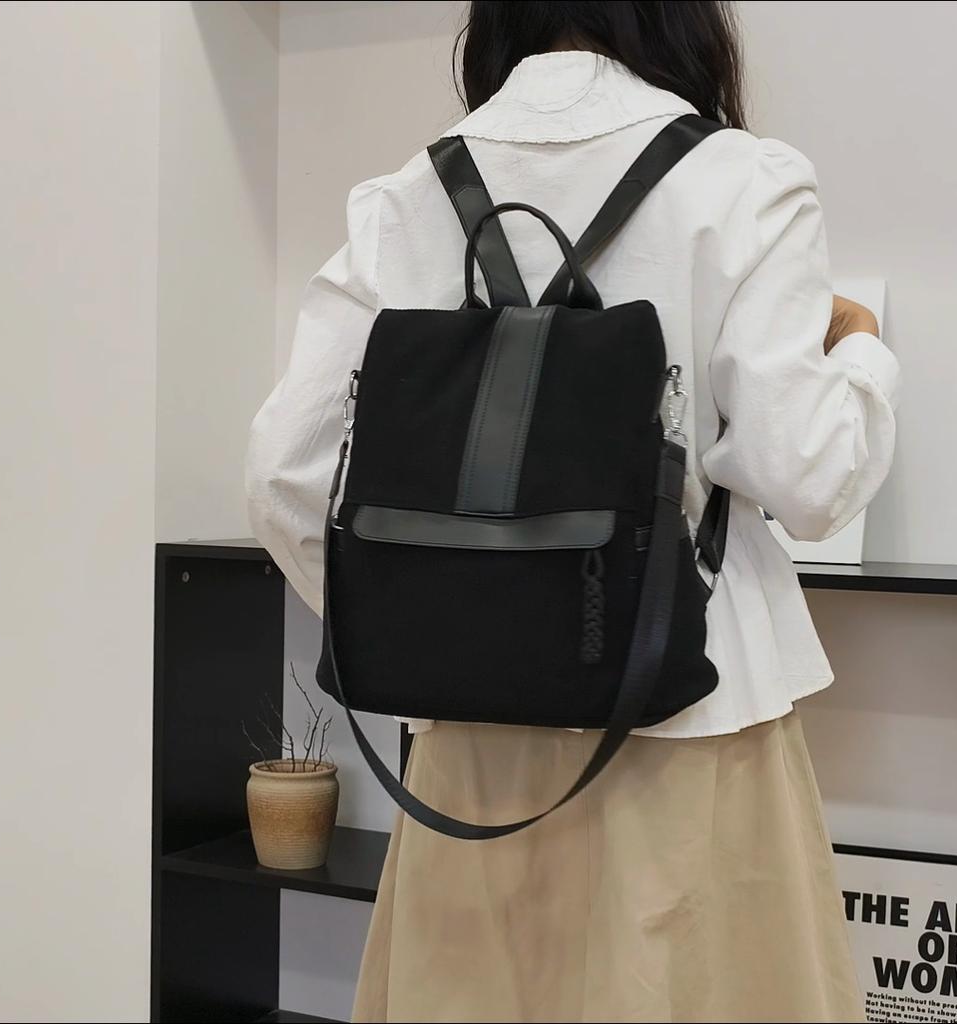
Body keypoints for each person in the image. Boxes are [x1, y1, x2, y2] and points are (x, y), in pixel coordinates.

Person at [245, 2, 899, 1020]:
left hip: (469, 749)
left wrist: (438, 617)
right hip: (688, 723)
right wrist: (860, 353)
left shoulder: (408, 197)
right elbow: (808, 478)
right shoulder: (744, 180)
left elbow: (285, 476)